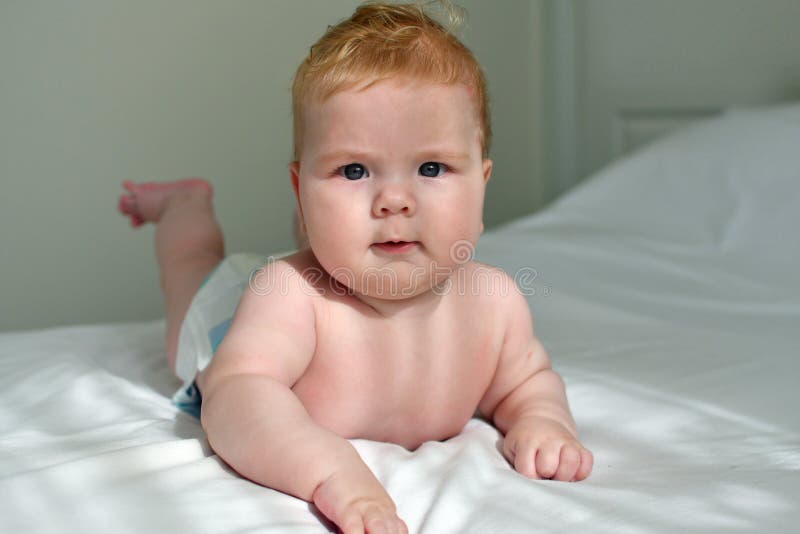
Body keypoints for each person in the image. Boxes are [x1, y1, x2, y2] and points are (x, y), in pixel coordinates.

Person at [118, 2, 593, 533]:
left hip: (330, 256)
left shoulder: (495, 303)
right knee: (190, 267)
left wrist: (542, 420)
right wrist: (329, 472)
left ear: (482, 181)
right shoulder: (287, 297)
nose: (394, 199)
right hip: (230, 314)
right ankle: (186, 206)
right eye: (353, 169)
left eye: (431, 167)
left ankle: (327, 221)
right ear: (300, 189)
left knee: (354, 233)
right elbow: (235, 402)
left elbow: (525, 381)